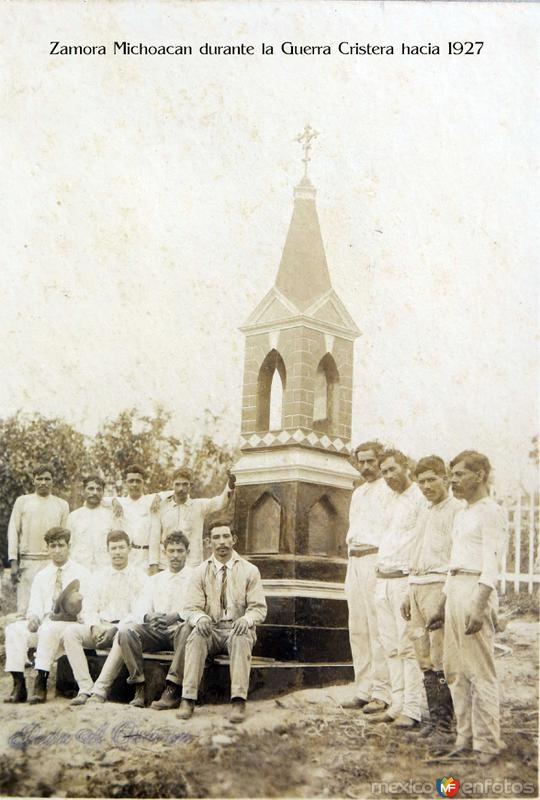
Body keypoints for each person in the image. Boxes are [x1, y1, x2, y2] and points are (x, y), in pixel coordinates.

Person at [436, 451, 507, 766]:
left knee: (479, 670)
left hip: (476, 590)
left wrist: (479, 604)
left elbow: (491, 564)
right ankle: (464, 738)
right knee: (455, 669)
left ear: (480, 475)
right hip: (455, 589)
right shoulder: (462, 513)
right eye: (451, 475)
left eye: (460, 474)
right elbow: (455, 562)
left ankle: (488, 744)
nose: (453, 481)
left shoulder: (491, 512)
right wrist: (443, 601)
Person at [177, 523, 267, 723]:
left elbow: (259, 608)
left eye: (226, 536)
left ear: (234, 539)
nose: (222, 542)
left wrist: (246, 619)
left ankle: (238, 700)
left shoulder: (250, 570)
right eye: (216, 537)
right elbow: (190, 608)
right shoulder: (200, 572)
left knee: (242, 637)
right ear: (208, 542)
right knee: (196, 636)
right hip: (212, 629)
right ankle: (188, 698)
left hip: (236, 627)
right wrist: (200, 618)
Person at [400, 456, 463, 737]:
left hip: (439, 586)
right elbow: (415, 554)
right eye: (421, 481)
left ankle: (445, 724)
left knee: (441, 658)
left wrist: (444, 598)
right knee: (422, 658)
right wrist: (407, 590)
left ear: (446, 479)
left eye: (431, 480)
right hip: (416, 586)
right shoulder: (423, 511)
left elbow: (457, 559)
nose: (426, 486)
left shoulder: (457, 511)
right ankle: (433, 719)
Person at [372, 449, 427, 728]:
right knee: (390, 646)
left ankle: (413, 709)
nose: (388, 476)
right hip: (383, 578)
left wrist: (411, 585)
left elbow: (420, 543)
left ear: (407, 467)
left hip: (405, 579)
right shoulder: (387, 500)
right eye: (384, 472)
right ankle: (396, 704)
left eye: (393, 469)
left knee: (408, 647)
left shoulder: (420, 499)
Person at [4, 527, 90, 704]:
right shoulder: (42, 575)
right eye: (53, 546)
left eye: (61, 545)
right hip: (45, 623)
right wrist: (33, 617)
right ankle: (18, 684)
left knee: (49, 628)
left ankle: (41, 680)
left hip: (69, 625)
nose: (57, 550)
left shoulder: (82, 573)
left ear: (69, 546)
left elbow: (87, 607)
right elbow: (34, 605)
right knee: (14, 629)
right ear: (47, 548)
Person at [61, 530, 147, 706]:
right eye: (113, 548)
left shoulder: (141, 577)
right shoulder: (98, 576)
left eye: (121, 547)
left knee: (123, 634)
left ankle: (100, 690)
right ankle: (85, 688)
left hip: (125, 630)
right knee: (70, 632)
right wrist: (94, 626)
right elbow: (89, 606)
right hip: (101, 627)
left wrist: (115, 629)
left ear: (129, 548)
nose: (117, 552)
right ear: (108, 550)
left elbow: (140, 612)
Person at [110, 531, 194, 710]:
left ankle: (173, 688)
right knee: (126, 631)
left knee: (187, 629)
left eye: (180, 551)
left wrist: (177, 615)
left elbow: (200, 609)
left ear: (188, 552)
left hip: (179, 630)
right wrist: (149, 617)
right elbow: (140, 608)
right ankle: (139, 686)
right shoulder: (155, 580)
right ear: (164, 552)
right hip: (156, 630)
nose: (175, 556)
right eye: (171, 551)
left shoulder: (196, 578)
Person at [342, 441, 392, 713]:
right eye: (361, 462)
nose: (366, 467)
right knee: (357, 627)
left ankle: (382, 692)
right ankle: (363, 689)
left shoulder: (389, 491)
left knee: (377, 628)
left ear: (380, 461)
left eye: (371, 461)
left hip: (376, 559)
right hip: (355, 560)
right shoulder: (358, 493)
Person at [8, 464, 70, 613]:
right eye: (39, 479)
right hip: (28, 562)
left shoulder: (61, 505)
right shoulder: (22, 502)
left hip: (52, 561)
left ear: (53, 481)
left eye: (47, 479)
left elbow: (66, 536)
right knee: (25, 607)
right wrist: (13, 562)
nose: (43, 482)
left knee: (50, 606)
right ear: (34, 481)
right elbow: (13, 531)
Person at [150, 467, 236, 569]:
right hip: (166, 566)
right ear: (172, 485)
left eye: (185, 484)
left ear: (190, 485)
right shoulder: (161, 508)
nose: (181, 488)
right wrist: (153, 565)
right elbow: (154, 539)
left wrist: (230, 484)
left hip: (192, 565)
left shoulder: (199, 506)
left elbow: (221, 502)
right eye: (177, 484)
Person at [110, 464, 162, 574]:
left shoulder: (151, 502)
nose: (134, 484)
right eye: (131, 481)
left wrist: (159, 496)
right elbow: (101, 499)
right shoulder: (120, 502)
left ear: (143, 483)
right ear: (125, 483)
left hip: (145, 558)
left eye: (138, 481)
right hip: (126, 557)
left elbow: (155, 536)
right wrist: (113, 500)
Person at [68, 475, 114, 571]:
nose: (95, 492)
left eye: (99, 489)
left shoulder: (110, 515)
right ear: (83, 491)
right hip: (79, 568)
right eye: (91, 489)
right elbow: (69, 546)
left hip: (105, 568)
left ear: (103, 492)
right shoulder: (74, 516)